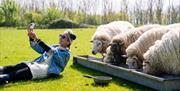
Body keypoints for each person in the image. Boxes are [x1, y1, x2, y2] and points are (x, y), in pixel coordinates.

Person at [0, 25, 76, 85]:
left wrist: (37, 39)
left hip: (45, 70)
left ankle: (3, 78)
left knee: (15, 74)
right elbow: (39, 48)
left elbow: (52, 52)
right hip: (36, 64)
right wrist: (32, 38)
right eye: (60, 35)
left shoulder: (67, 54)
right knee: (15, 67)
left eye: (63, 37)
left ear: (68, 42)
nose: (60, 37)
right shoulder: (55, 46)